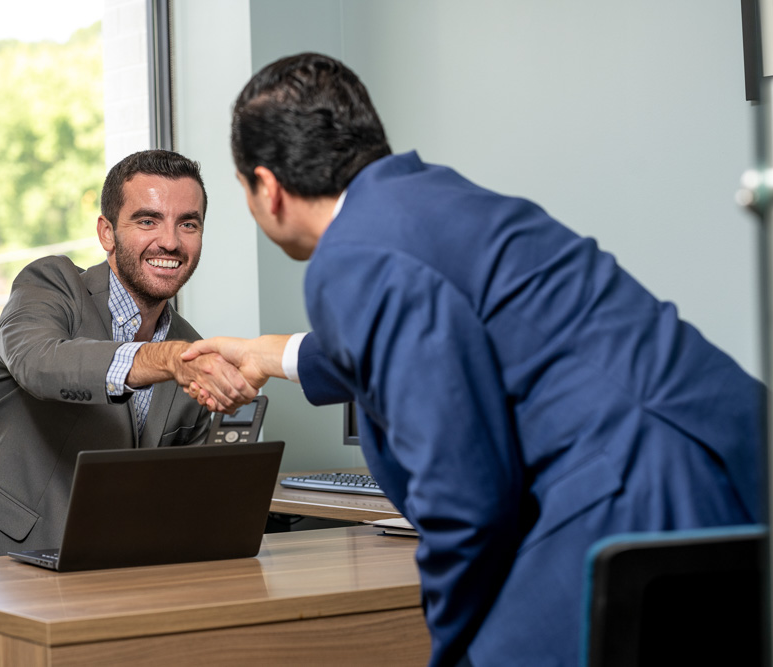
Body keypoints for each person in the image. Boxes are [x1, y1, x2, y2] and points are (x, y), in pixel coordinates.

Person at [182, 53, 764, 667]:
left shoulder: (352, 258)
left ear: (267, 189)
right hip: (733, 454)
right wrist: (267, 355)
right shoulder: (429, 200)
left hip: (639, 494)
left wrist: (453, 646)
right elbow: (444, 322)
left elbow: (465, 500)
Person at [0, 149, 255, 562]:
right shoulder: (51, 285)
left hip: (107, 568)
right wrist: (165, 360)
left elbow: (184, 497)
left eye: (188, 224)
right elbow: (40, 362)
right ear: (107, 233)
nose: (170, 241)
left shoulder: (190, 347)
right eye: (147, 220)